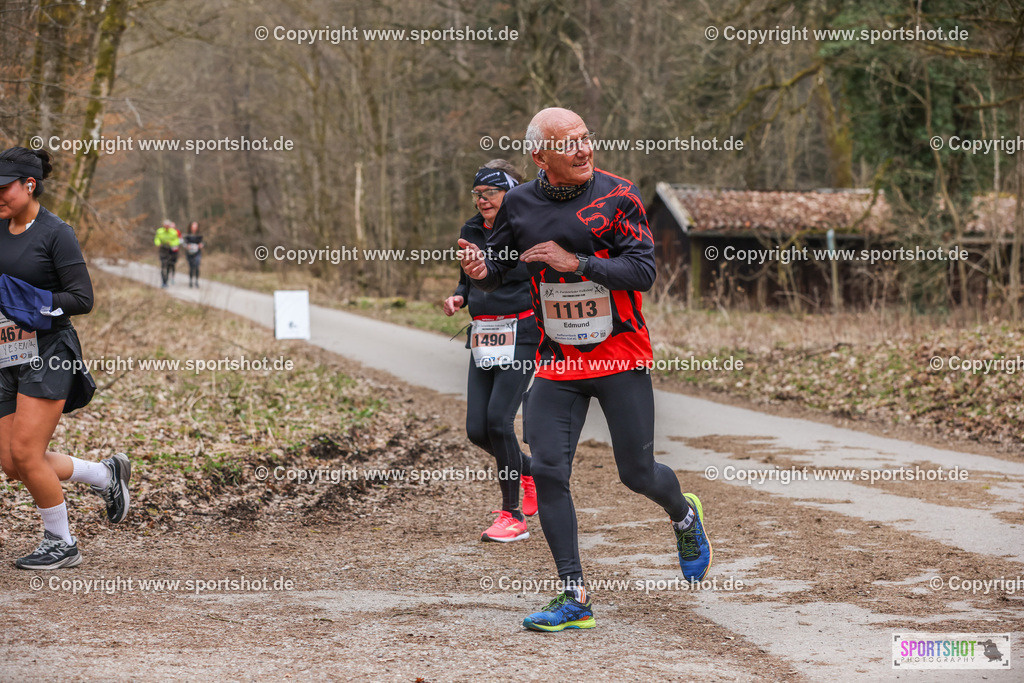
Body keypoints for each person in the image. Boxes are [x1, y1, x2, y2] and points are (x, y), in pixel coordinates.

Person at [459, 108, 712, 631]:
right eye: (567, 143)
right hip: (557, 361)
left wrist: (578, 264)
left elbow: (643, 271)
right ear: (540, 157)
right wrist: (482, 272)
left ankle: (684, 515)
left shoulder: (618, 195)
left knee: (636, 473)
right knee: (550, 472)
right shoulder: (521, 203)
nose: (582, 149)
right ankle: (573, 596)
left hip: (620, 355)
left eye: (585, 138)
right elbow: (504, 263)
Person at [0, 146, 131, 570]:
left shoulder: (56, 232)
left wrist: (28, 299)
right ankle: (104, 474)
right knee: (12, 464)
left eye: (5, 189)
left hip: (48, 350)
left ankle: (62, 543)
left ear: (29, 185)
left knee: (26, 453)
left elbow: (83, 298)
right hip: (4, 351)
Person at [444, 160, 539, 542]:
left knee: (500, 421)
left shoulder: (526, 227)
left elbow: (528, 271)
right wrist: (459, 296)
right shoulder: (471, 229)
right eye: (477, 194)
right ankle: (529, 470)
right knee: (476, 430)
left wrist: (490, 266)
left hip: (522, 330)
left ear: (511, 193)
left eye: (491, 193)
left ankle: (511, 516)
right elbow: (467, 278)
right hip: (484, 334)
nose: (482, 200)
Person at [154, 219, 180, 288]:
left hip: (171, 250)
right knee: (163, 265)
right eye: (165, 225)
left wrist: (171, 243)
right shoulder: (159, 231)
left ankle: (167, 279)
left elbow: (177, 241)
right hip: (163, 250)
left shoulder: (174, 232)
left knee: (169, 265)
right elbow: (157, 239)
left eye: (168, 225)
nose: (167, 227)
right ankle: (163, 282)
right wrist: (158, 243)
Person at [183, 221, 204, 288]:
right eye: (193, 226)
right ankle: (191, 281)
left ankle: (196, 282)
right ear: (190, 227)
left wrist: (201, 245)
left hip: (197, 253)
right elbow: (184, 243)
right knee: (191, 267)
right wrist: (187, 246)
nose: (194, 228)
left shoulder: (199, 235)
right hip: (189, 253)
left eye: (196, 226)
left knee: (197, 266)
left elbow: (203, 242)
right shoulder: (187, 235)